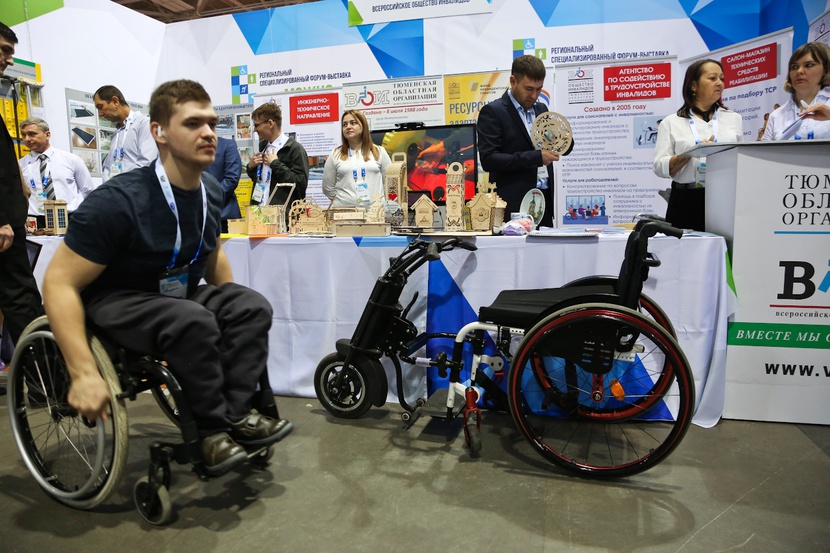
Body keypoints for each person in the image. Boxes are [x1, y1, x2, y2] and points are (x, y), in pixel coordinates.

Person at [42, 80, 292, 475]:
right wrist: (83, 372)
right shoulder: (118, 201)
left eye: (211, 123)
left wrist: (232, 309)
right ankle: (210, 433)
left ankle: (236, 415)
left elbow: (212, 253)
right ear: (159, 132)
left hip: (177, 295)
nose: (209, 133)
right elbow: (58, 282)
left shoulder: (210, 191)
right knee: (192, 319)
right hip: (118, 299)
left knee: (250, 307)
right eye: (193, 123)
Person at [477, 55, 574, 227]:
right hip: (513, 207)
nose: (534, 95)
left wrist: (565, 140)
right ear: (513, 81)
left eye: (539, 89)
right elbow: (489, 160)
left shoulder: (541, 109)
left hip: (543, 205)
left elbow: (559, 147)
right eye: (529, 89)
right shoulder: (493, 112)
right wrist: (537, 158)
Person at [652, 59, 743, 231]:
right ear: (693, 85)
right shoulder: (671, 122)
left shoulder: (733, 119)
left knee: (724, 247)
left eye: (722, 79)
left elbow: (740, 160)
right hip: (686, 200)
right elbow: (659, 166)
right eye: (712, 78)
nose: (719, 83)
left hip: (724, 198)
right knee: (684, 247)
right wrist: (691, 152)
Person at [0, 22, 44, 368]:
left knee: (22, 299)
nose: (8, 60)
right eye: (3, 50)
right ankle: (45, 380)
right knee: (21, 300)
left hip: (13, 223)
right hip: (5, 229)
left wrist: (20, 182)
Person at [18, 117, 95, 228]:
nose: (27, 139)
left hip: (69, 218)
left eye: (32, 134)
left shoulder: (71, 160)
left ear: (47, 135)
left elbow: (87, 190)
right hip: (36, 222)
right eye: (23, 135)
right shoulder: (20, 165)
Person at [245, 103, 308, 224]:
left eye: (257, 125)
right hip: (259, 216)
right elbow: (263, 181)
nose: (255, 130)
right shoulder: (263, 147)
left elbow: (300, 183)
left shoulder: (294, 149)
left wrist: (275, 164)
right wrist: (251, 168)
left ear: (270, 123)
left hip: (283, 220)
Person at [762, 42, 830, 141]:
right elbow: (763, 150)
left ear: (825, 70)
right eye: (794, 67)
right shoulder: (776, 116)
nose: (799, 71)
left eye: (809, 65)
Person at [322, 110, 391, 208]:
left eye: (353, 123)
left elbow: (389, 183)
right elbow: (327, 188)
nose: (348, 127)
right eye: (344, 124)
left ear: (363, 126)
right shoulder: (335, 154)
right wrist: (342, 201)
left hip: (375, 212)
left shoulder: (379, 152)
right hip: (344, 213)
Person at [94, 84, 157, 180]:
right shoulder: (116, 134)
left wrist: (123, 185)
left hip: (134, 187)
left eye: (100, 106)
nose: (100, 114)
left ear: (115, 101)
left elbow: (146, 163)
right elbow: (107, 167)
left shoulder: (144, 124)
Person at [205, 136, 242, 233]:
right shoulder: (187, 147)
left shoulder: (227, 145)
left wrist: (206, 195)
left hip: (223, 214)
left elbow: (231, 179)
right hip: (192, 215)